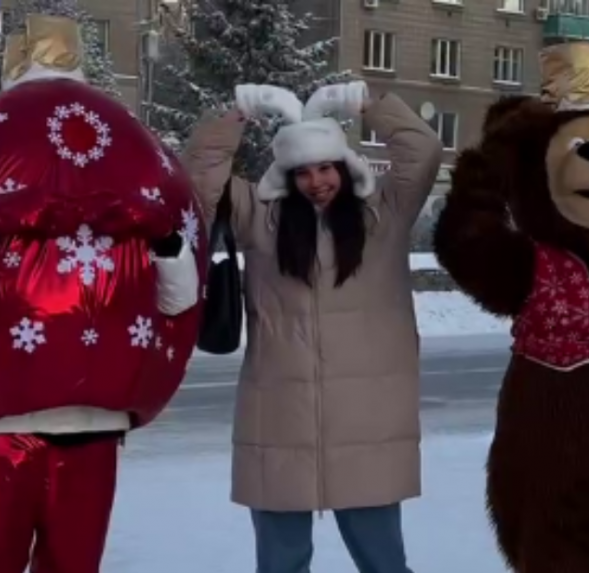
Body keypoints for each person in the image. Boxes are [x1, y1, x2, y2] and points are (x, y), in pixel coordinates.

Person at [0, 15, 205, 573]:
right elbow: (181, 301)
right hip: (71, 422)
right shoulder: (136, 145)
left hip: (13, 425)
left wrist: (161, 237)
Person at [182, 81, 442, 573]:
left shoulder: (385, 213)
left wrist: (369, 104)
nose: (317, 181)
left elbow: (423, 150)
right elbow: (199, 175)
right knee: (281, 565)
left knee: (385, 563)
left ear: (344, 165)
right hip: (278, 420)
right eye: (302, 172)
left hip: (369, 425)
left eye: (326, 167)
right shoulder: (260, 217)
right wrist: (236, 112)